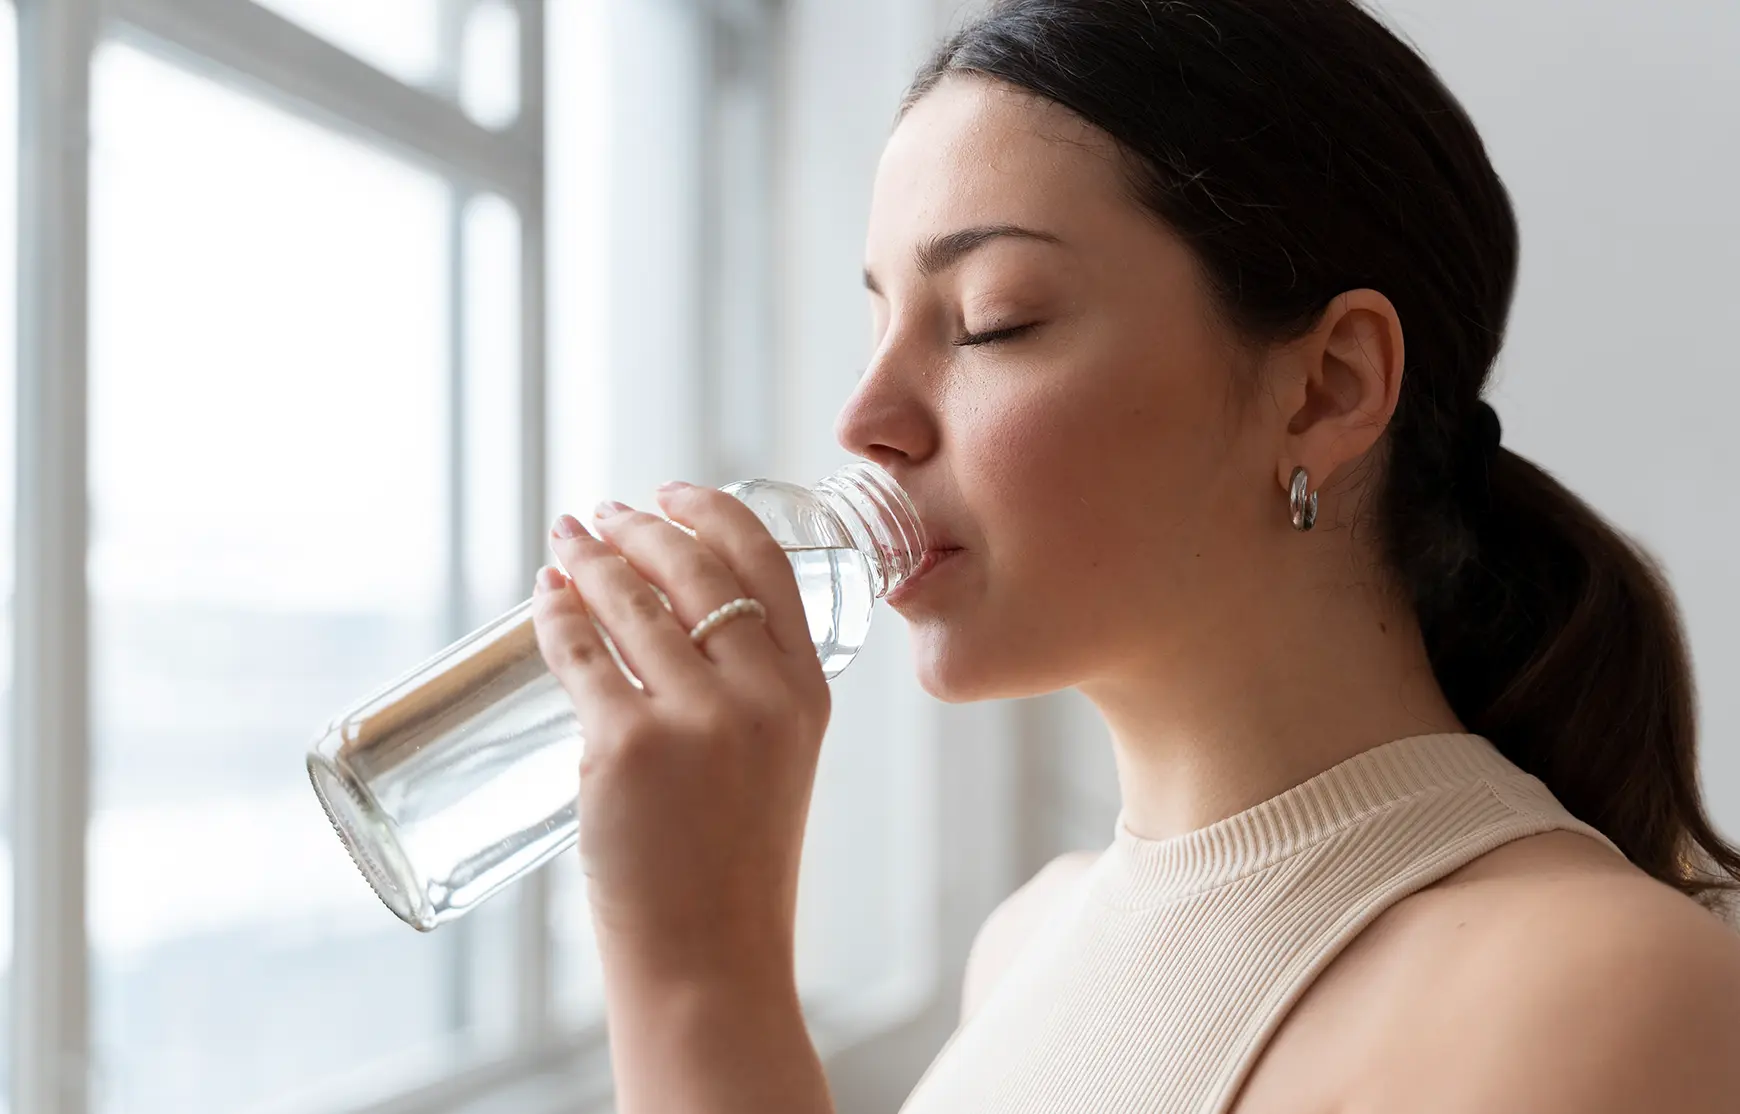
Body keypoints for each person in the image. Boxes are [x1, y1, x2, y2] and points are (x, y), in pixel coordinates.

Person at [527, 0, 1740, 1110]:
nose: (862, 417)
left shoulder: (1612, 992)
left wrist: (696, 970)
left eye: (995, 317)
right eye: (877, 317)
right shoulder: (1022, 945)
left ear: (1327, 386)